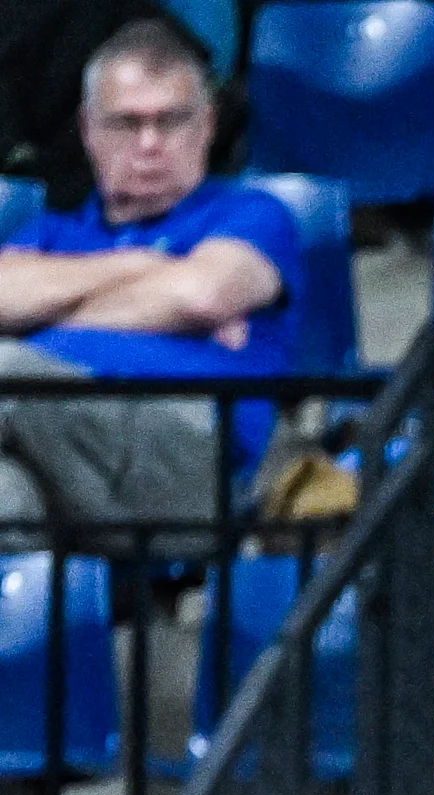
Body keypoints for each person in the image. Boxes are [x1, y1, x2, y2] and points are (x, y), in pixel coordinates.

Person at [0, 17, 299, 529]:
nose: (150, 144)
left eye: (172, 121)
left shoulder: (251, 214)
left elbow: (201, 296)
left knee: (9, 365)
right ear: (88, 129)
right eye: (125, 123)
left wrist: (40, 315)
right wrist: (141, 268)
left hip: (193, 456)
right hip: (56, 459)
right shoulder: (48, 232)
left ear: (207, 125)